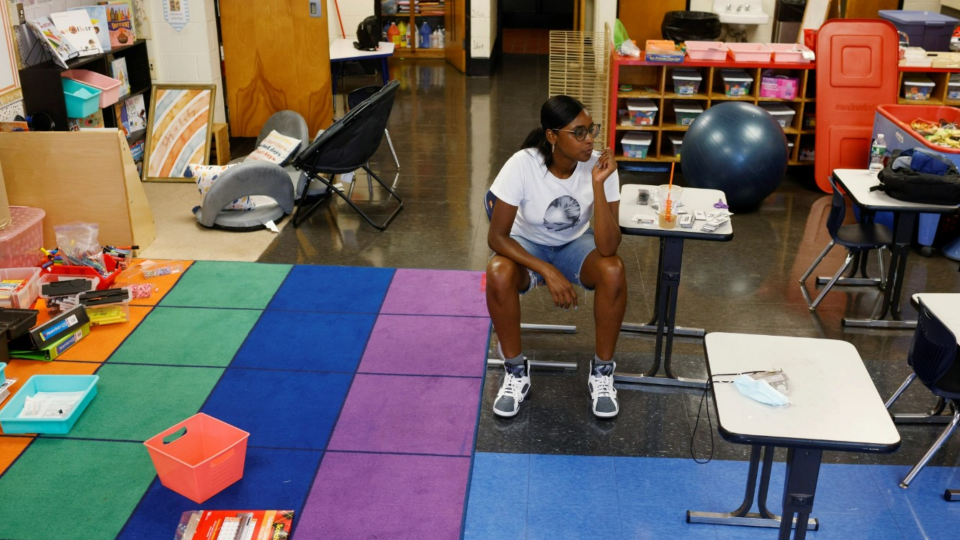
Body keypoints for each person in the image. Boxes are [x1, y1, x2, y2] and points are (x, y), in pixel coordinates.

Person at [486, 95, 627, 419]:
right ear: (552, 136)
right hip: (527, 245)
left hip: (574, 244)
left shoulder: (600, 166)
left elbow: (608, 247)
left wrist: (598, 185)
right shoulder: (523, 164)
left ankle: (603, 372)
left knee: (613, 271)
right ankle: (516, 372)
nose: (589, 139)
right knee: (497, 272)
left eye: (591, 130)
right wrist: (547, 271)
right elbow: (497, 237)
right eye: (578, 133)